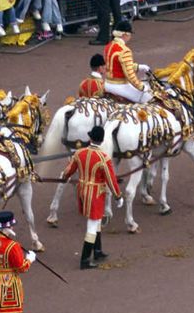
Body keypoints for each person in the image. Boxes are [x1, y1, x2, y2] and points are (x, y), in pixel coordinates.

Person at [60, 126, 121, 269]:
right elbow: (111, 181)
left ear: (91, 138)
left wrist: (64, 177)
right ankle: (85, 259)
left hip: (82, 191)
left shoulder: (79, 152)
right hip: (96, 193)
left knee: (97, 221)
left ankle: (97, 251)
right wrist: (118, 196)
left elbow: (69, 170)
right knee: (92, 226)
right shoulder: (103, 158)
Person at [102, 21, 152, 103]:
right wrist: (141, 87)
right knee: (148, 98)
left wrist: (138, 67)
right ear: (125, 34)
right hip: (120, 86)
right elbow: (130, 75)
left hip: (107, 84)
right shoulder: (124, 50)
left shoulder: (108, 46)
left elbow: (116, 65)